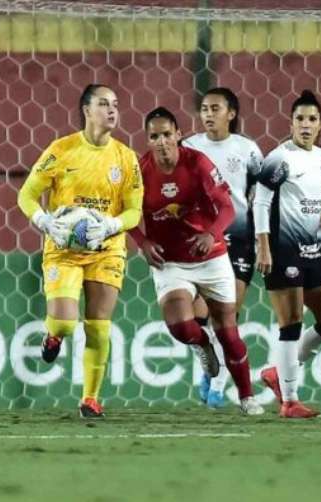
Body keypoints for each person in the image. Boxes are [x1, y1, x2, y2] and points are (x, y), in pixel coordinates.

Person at [17, 84, 143, 418]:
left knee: (99, 325)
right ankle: (52, 336)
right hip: (63, 248)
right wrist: (43, 220)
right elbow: (26, 195)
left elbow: (134, 212)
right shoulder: (62, 150)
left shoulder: (126, 158)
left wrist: (112, 226)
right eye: (103, 104)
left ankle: (90, 398)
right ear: (86, 110)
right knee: (64, 324)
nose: (112, 110)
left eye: (115, 104)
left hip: (107, 248)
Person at [129, 107, 264, 416]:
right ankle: (203, 346)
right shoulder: (139, 171)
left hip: (211, 257)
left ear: (178, 135)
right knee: (180, 327)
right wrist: (142, 240)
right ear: (147, 140)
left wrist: (211, 234)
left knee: (229, 332)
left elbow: (227, 207)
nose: (161, 141)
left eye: (166, 134)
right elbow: (123, 213)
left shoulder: (198, 163)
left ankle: (246, 396)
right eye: (154, 136)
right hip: (170, 262)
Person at [253, 90, 321, 418]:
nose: (306, 125)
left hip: (312, 250)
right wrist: (264, 246)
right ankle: (289, 400)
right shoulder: (279, 158)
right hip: (282, 249)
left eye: (312, 119)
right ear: (291, 122)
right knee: (292, 322)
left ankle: (276, 372)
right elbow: (261, 202)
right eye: (300, 119)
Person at [183, 87, 263, 408]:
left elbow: (263, 197)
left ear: (231, 113)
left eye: (215, 108)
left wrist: (264, 241)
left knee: (227, 316)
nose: (208, 114)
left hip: (240, 239)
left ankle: (217, 381)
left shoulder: (248, 150)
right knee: (196, 317)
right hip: (202, 240)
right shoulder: (189, 147)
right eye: (204, 108)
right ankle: (211, 364)